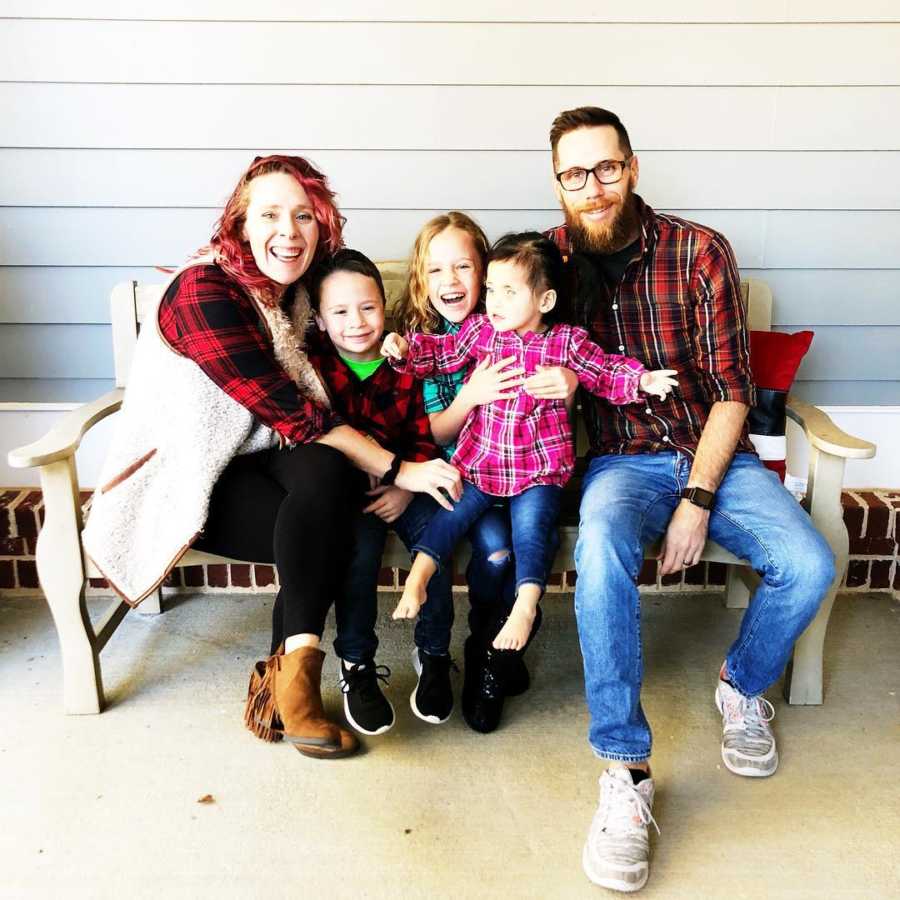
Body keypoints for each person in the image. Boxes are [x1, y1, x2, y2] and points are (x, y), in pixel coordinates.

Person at [82, 156, 461, 761]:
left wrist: (397, 346)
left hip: (266, 462)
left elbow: (341, 384)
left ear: (324, 226)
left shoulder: (297, 299)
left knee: (327, 474)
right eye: (270, 214)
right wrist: (400, 469)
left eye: (304, 215)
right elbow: (298, 413)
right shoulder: (204, 292)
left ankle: (293, 684)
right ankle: (295, 691)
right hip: (190, 477)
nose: (289, 231)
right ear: (239, 223)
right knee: (331, 507)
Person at [544, 107, 836, 892]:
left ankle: (741, 687)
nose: (592, 187)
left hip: (714, 451)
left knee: (809, 563)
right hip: (618, 464)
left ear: (632, 167)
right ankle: (626, 772)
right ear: (558, 182)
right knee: (599, 553)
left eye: (606, 168)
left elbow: (735, 394)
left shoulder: (698, 251)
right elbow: (482, 323)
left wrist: (698, 497)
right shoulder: (548, 264)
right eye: (574, 174)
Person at [382, 232, 676, 657]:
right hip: (481, 463)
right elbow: (442, 352)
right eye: (491, 291)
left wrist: (642, 379)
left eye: (508, 292)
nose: (494, 302)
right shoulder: (481, 332)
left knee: (532, 533)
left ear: (545, 301)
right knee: (447, 515)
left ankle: (525, 604)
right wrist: (405, 349)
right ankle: (419, 577)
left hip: (538, 471)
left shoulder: (565, 343)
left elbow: (604, 370)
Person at [392, 212, 579, 733]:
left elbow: (581, 359)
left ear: (486, 271)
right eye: (435, 271)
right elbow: (433, 432)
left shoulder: (518, 323)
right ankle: (483, 644)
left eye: (464, 268)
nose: (450, 282)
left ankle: (488, 660)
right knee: (496, 552)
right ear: (420, 279)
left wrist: (569, 378)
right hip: (462, 473)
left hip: (529, 473)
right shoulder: (445, 338)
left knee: (514, 545)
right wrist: (472, 393)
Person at [305, 248, 456, 733]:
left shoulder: (407, 363)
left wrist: (408, 491)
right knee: (360, 556)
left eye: (367, 308)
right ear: (321, 322)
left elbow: (420, 434)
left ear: (384, 308)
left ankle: (433, 653)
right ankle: (357, 664)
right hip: (350, 500)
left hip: (405, 487)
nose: (356, 323)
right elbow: (315, 440)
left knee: (438, 540)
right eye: (340, 312)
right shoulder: (313, 372)